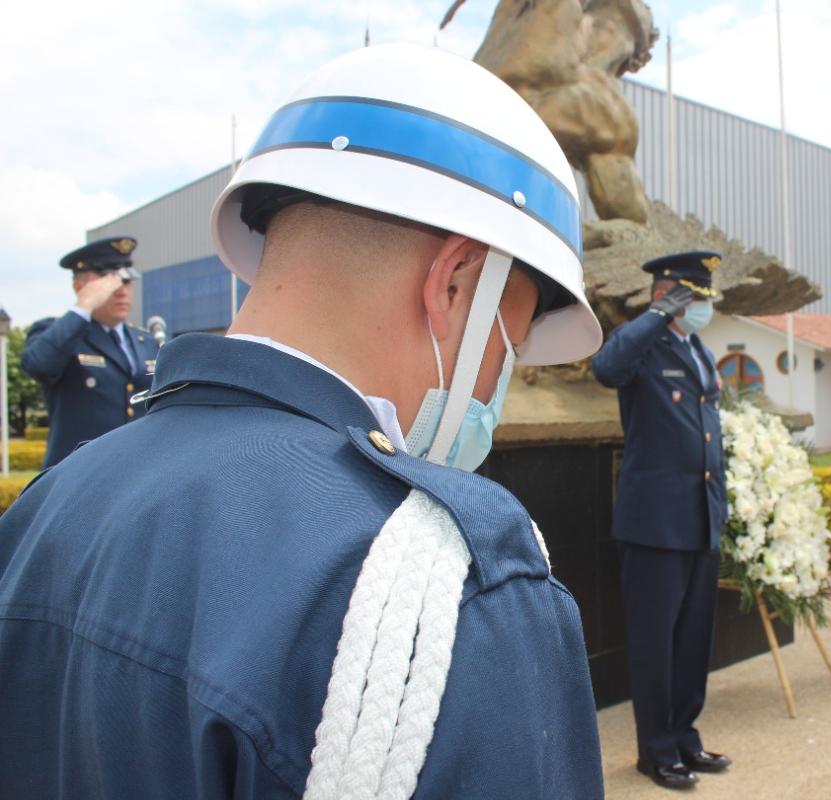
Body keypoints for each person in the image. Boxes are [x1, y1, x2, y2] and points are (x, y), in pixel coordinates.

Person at [0, 45, 605, 800]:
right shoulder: (449, 587)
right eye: (510, 345)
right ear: (454, 283)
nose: (496, 386)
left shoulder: (50, 504)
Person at [591, 251, 731, 791]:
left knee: (694, 640)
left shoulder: (697, 350)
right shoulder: (645, 345)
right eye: (691, 298)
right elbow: (606, 367)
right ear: (668, 293)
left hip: (699, 517)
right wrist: (654, 314)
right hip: (654, 523)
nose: (700, 310)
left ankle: (684, 736)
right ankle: (655, 750)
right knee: (655, 642)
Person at [20, 237, 159, 468]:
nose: (121, 291)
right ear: (79, 286)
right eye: (109, 282)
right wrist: (84, 305)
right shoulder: (59, 333)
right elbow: (38, 365)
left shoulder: (145, 340)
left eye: (126, 282)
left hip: (136, 474)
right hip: (77, 476)